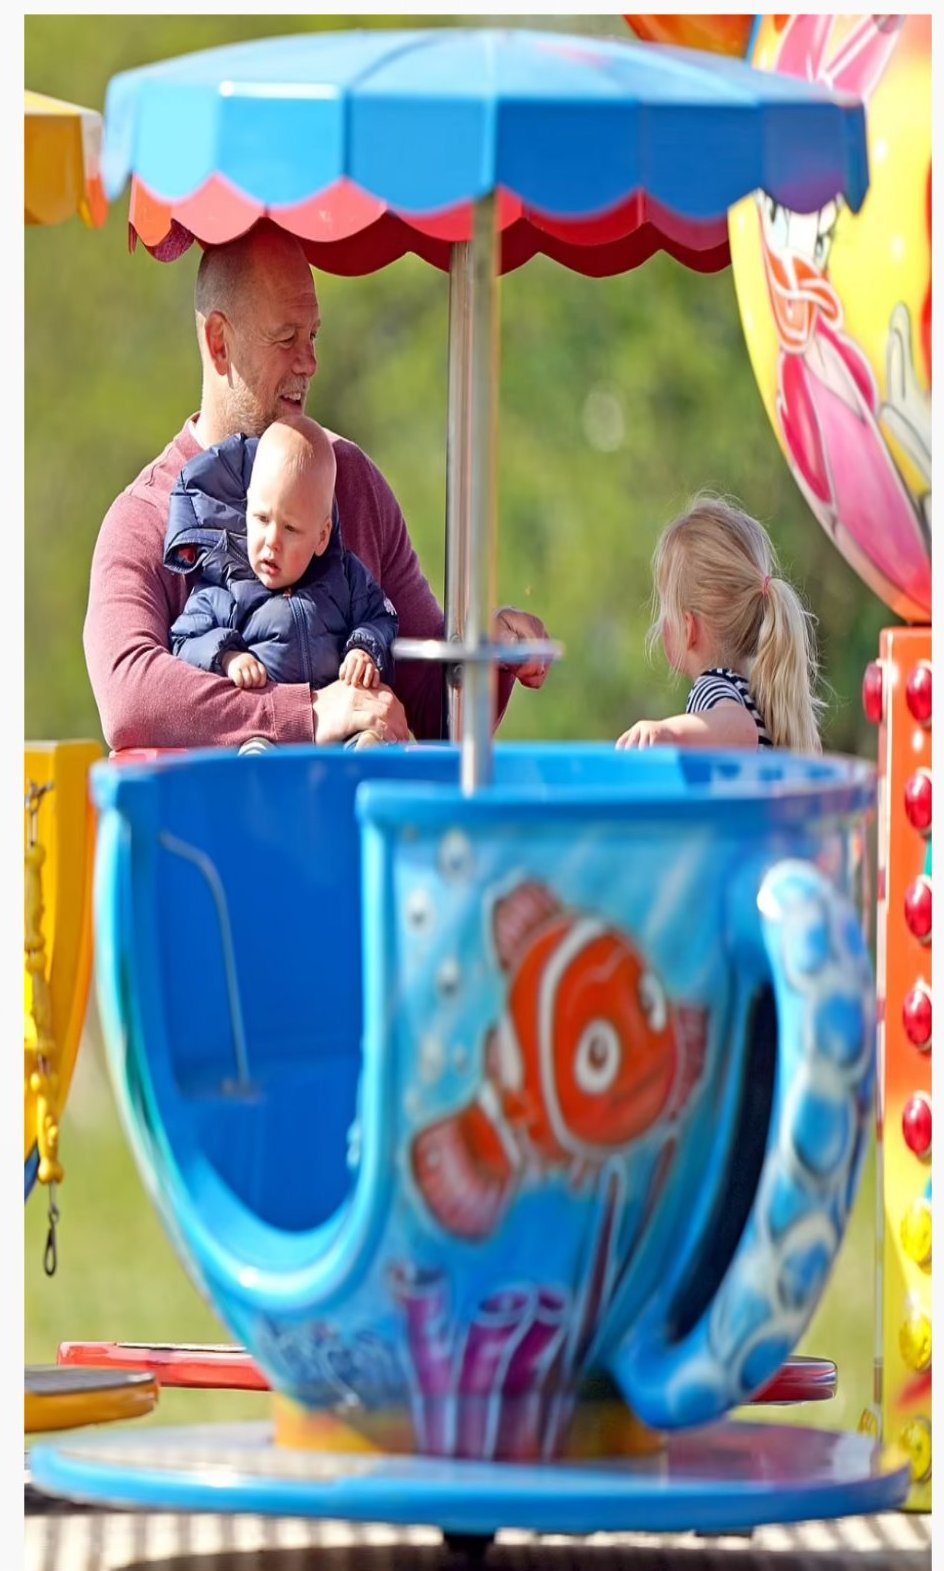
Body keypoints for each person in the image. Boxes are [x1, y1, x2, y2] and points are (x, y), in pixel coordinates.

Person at [83, 220, 551, 752]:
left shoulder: (353, 481)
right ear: (219, 343)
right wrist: (307, 713)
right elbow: (129, 695)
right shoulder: (144, 516)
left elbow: (430, 706)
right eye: (286, 338)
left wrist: (486, 657)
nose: (309, 362)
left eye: (313, 336)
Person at [165, 418, 399, 753]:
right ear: (247, 508)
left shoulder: (345, 576)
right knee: (254, 744)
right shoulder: (225, 585)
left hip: (335, 739)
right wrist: (228, 656)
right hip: (266, 730)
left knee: (367, 731)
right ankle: (256, 771)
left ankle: (364, 755)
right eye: (262, 519)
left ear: (321, 536)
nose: (271, 541)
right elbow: (185, 640)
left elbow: (382, 617)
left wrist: (364, 648)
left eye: (290, 529)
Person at [616, 495, 823, 754]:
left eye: (666, 610)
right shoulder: (766, 700)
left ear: (689, 628)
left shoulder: (712, 687)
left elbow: (740, 729)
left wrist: (668, 731)